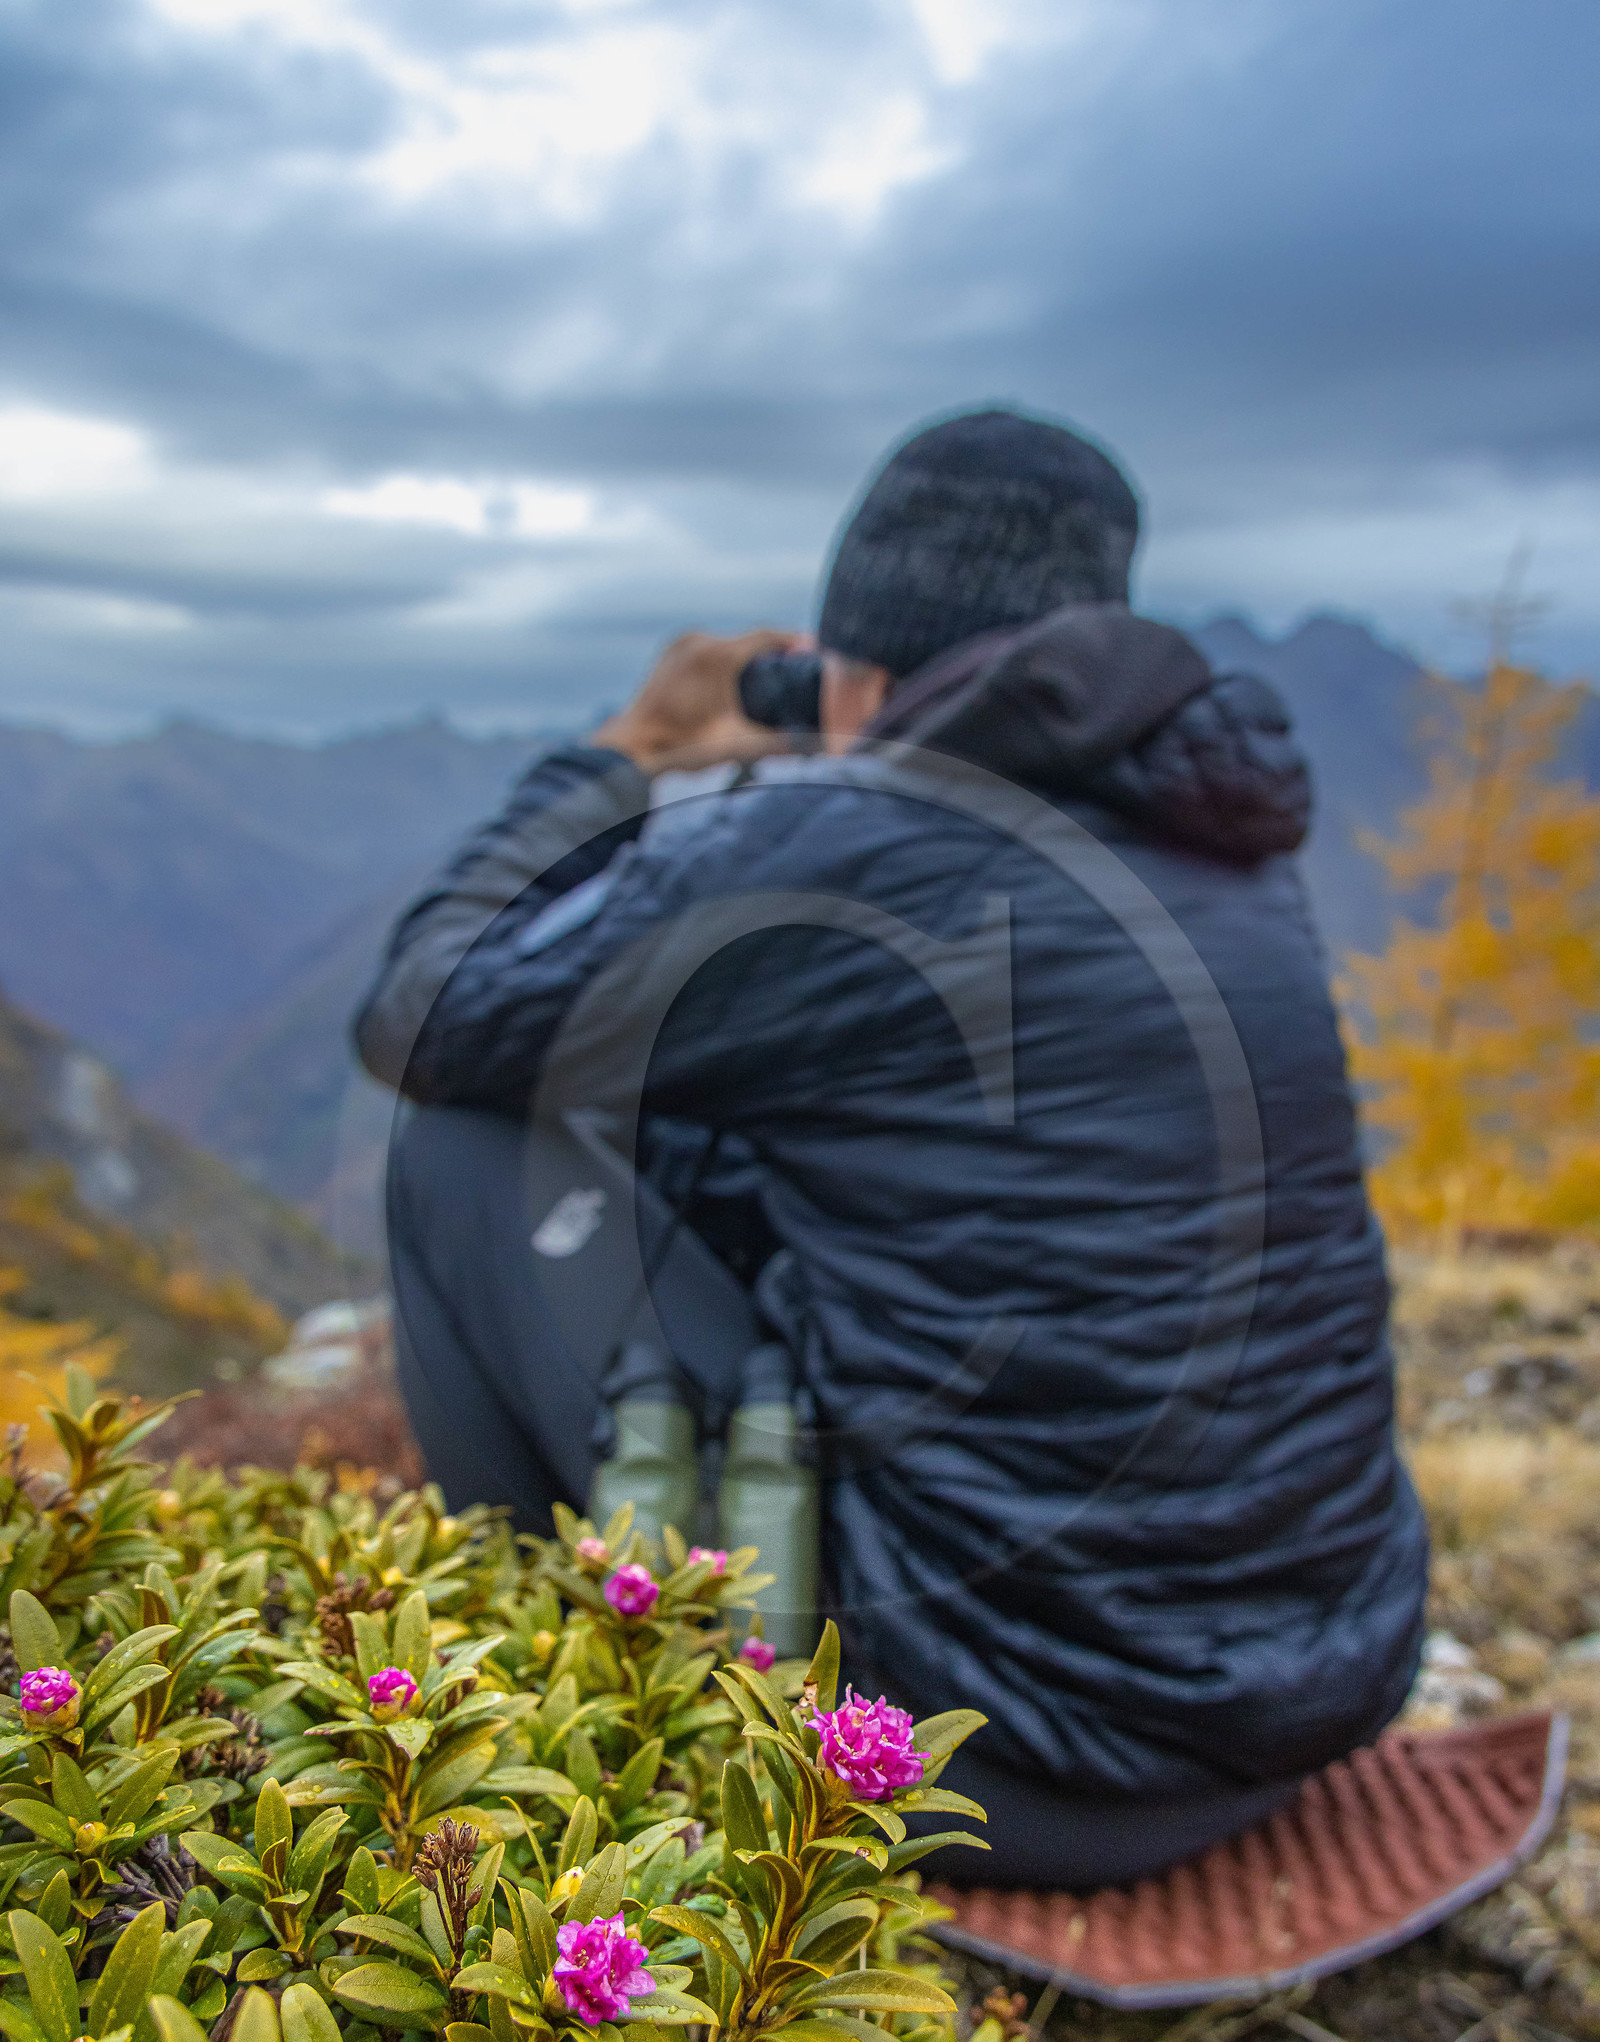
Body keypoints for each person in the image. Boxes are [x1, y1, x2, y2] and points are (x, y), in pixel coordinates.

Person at [354, 406, 1428, 1891]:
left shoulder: (863, 844)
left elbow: (428, 1013)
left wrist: (625, 756)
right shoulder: (1226, 842)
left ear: (861, 660)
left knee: (465, 1140)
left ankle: (542, 1676)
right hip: (1302, 1701)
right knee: (703, 1141)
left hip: (1009, 1754)